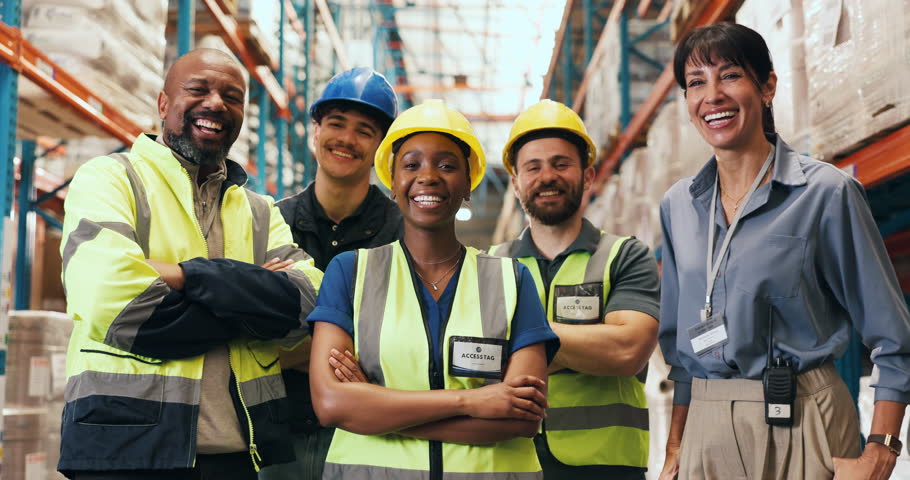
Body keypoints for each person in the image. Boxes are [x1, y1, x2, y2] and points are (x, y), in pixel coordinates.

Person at [657, 23, 910, 480]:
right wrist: (675, 446)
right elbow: (681, 355)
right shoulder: (678, 206)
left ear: (767, 87)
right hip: (706, 426)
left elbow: (893, 336)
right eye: (696, 82)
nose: (712, 95)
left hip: (804, 418)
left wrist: (882, 448)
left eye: (730, 75)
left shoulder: (826, 193)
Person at [57, 48, 323, 480]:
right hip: (123, 446)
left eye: (232, 97)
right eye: (198, 89)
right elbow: (115, 303)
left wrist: (183, 275)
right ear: (163, 104)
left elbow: (308, 304)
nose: (216, 103)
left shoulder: (259, 210)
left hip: (237, 455)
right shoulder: (110, 179)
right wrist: (251, 306)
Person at [308, 99, 560, 479]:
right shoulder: (351, 273)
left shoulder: (512, 280)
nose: (428, 176)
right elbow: (331, 403)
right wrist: (470, 401)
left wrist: (375, 410)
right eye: (411, 165)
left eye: (446, 165)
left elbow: (522, 419)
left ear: (468, 185)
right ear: (393, 184)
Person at [489, 99, 660, 479]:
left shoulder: (625, 256)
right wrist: (585, 344)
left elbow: (627, 350)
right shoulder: (490, 264)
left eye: (561, 164)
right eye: (533, 167)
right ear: (515, 183)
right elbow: (478, 359)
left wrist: (522, 340)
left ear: (587, 176)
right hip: (512, 459)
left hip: (606, 466)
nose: (547, 176)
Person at [261, 67, 401, 480]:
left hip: (368, 436)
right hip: (278, 437)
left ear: (382, 147)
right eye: (336, 124)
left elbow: (401, 340)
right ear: (316, 131)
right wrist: (344, 348)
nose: (346, 139)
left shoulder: (403, 233)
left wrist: (293, 347)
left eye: (364, 131)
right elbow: (248, 335)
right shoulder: (271, 223)